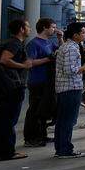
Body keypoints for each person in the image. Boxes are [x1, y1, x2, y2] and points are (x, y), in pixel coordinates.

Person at [0, 19, 33, 161]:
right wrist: (24, 66)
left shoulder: (9, 42)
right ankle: (7, 152)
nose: (29, 29)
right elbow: (5, 60)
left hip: (5, 86)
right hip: (12, 87)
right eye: (27, 26)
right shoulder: (14, 43)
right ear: (21, 29)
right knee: (8, 120)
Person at [53, 22, 85, 158]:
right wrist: (84, 67)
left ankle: (61, 147)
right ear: (75, 35)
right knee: (68, 120)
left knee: (63, 119)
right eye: (82, 32)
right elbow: (69, 70)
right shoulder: (71, 48)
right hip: (70, 88)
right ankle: (65, 149)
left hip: (65, 88)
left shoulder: (68, 46)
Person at [23, 18, 59, 147]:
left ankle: (42, 135)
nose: (54, 30)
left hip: (48, 81)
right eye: (53, 27)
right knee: (34, 110)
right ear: (44, 27)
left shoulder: (49, 42)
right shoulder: (33, 44)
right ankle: (30, 137)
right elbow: (29, 63)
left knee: (44, 109)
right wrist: (47, 59)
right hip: (37, 81)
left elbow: (60, 50)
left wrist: (60, 38)